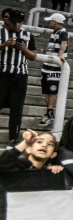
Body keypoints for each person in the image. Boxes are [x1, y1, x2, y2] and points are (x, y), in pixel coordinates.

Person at [0, 8, 36, 142]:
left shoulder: (28, 35)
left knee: (17, 109)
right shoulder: (0, 32)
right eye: (14, 22)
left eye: (20, 22)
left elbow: (33, 56)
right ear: (7, 20)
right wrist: (4, 45)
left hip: (20, 75)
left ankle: (13, 139)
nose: (17, 25)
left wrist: (24, 49)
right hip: (2, 73)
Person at [38, 12, 68, 127]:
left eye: (50, 21)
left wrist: (60, 53)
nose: (49, 23)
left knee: (52, 90)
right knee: (47, 90)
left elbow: (64, 43)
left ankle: (50, 113)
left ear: (55, 21)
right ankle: (48, 112)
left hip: (55, 66)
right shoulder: (54, 32)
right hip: (47, 64)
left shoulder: (63, 32)